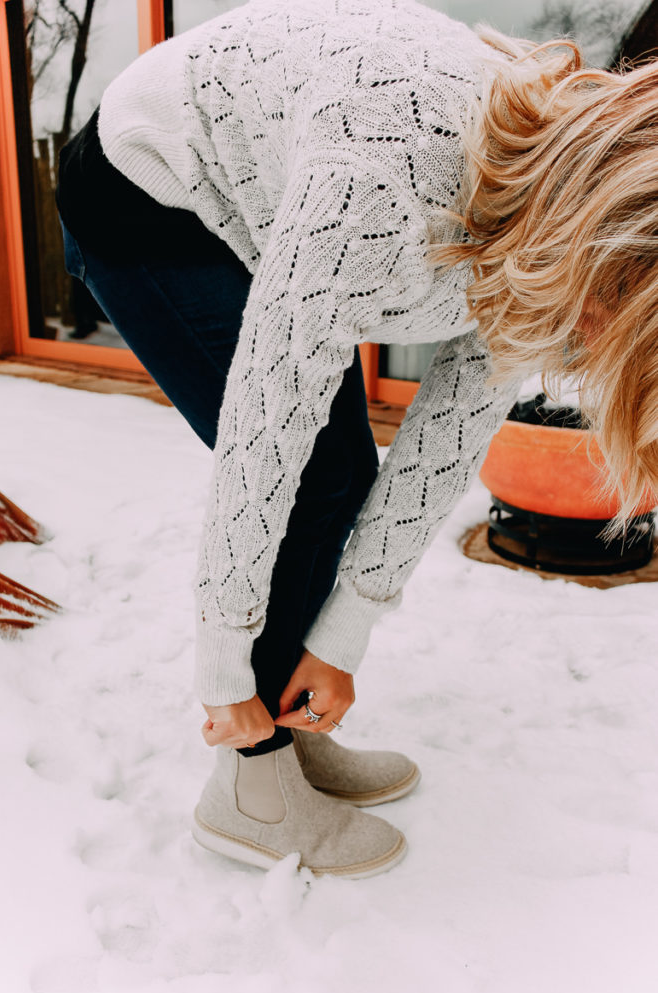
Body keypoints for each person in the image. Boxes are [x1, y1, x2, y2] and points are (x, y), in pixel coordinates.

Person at [56, 0, 658, 878]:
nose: (587, 350)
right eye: (607, 327)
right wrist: (223, 666)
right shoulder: (379, 192)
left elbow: (442, 446)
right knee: (311, 472)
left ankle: (286, 728)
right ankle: (249, 781)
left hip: (274, 177)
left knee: (339, 471)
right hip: (149, 190)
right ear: (592, 254)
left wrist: (339, 644)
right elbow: (265, 438)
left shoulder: (550, 241)